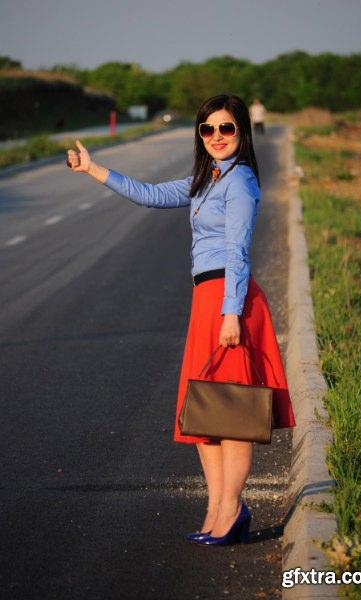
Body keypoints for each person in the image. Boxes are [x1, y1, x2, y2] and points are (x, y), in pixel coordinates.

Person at [66, 94, 295, 546]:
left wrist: (232, 312)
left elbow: (238, 251)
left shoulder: (241, 181)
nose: (215, 137)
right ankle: (215, 508)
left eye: (225, 129)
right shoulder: (206, 179)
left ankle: (231, 511)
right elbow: (150, 196)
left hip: (231, 300)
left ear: (242, 132)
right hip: (206, 299)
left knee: (232, 411)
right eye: (207, 129)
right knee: (205, 415)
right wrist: (94, 170)